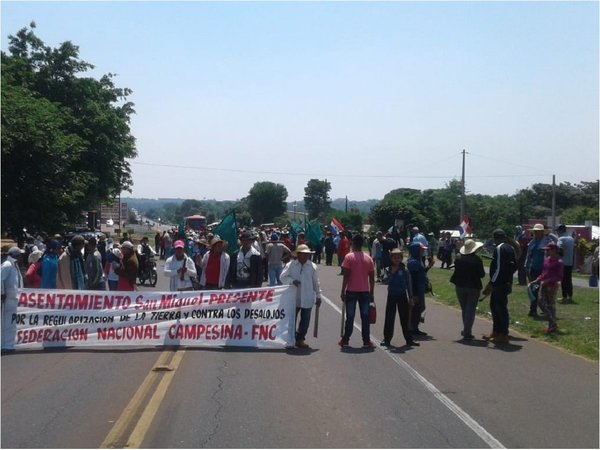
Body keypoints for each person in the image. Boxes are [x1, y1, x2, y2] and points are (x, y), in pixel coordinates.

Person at [280, 244, 322, 348]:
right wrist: (291, 281)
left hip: (307, 297)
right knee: (291, 319)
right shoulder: (291, 265)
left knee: (305, 320)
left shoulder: (312, 266)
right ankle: (291, 338)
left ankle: (300, 339)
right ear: (298, 255)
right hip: (294, 298)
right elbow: (282, 277)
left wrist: (318, 295)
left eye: (307, 254)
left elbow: (316, 282)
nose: (305, 256)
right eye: (303, 254)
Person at [339, 234, 376, 348]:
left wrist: (343, 291)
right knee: (365, 317)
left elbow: (346, 276)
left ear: (353, 243)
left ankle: (345, 340)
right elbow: (372, 278)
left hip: (351, 290)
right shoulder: (368, 258)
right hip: (365, 291)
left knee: (350, 317)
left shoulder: (349, 257)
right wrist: (371, 293)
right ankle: (366, 340)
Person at [483, 229, 516, 344]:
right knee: (495, 307)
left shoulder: (499, 248)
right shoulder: (510, 248)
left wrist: (492, 283)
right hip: (506, 282)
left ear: (494, 238)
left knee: (499, 308)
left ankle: (503, 333)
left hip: (499, 283)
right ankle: (496, 332)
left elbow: (498, 267)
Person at [381, 249, 418, 347]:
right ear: (391, 258)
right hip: (392, 296)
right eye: (394, 257)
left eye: (399, 257)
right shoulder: (388, 269)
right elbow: (385, 281)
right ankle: (387, 339)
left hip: (402, 296)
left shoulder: (404, 270)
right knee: (389, 318)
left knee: (405, 319)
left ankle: (409, 340)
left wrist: (410, 297)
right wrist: (392, 274)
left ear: (401, 258)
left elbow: (408, 284)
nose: (397, 259)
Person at [450, 239, 486, 340]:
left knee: (464, 309)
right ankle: (467, 331)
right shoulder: (477, 260)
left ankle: (466, 329)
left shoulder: (458, 258)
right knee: (470, 310)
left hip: (460, 286)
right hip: (474, 286)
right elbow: (482, 275)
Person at [530, 241, 563, 334]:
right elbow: (543, 273)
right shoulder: (547, 260)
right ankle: (552, 322)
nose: (546, 252)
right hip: (543, 285)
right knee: (541, 302)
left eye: (548, 250)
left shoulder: (559, 262)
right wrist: (537, 280)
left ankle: (552, 325)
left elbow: (559, 276)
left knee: (550, 305)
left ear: (554, 250)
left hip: (552, 286)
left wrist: (549, 280)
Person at [525, 223, 555, 316]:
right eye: (535, 231)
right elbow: (528, 255)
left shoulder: (548, 242)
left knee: (545, 291)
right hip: (533, 268)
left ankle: (546, 309)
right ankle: (532, 309)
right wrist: (526, 266)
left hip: (544, 270)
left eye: (538, 231)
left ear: (542, 232)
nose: (536, 233)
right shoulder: (532, 242)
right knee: (533, 289)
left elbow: (551, 256)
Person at [407, 241, 433, 336]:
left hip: (420, 288)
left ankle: (415, 327)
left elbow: (421, 273)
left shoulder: (417, 261)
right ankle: (413, 328)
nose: (422, 252)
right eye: (421, 250)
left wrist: (429, 266)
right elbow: (413, 279)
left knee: (420, 308)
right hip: (416, 289)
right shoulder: (413, 262)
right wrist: (415, 294)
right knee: (416, 308)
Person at [1, 247, 25, 351]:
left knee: (11, 322)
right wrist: (2, 293)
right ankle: (6, 345)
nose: (22, 257)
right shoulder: (7, 265)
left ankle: (9, 344)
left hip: (14, 298)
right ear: (16, 255)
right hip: (8, 298)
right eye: (20, 255)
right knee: (7, 323)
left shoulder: (14, 265)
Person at [556, 224, 575, 304]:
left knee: (563, 280)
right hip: (570, 262)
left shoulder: (561, 238)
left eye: (557, 231)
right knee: (569, 280)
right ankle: (570, 296)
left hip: (563, 262)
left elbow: (559, 248)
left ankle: (564, 297)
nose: (557, 232)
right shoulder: (571, 238)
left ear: (560, 230)